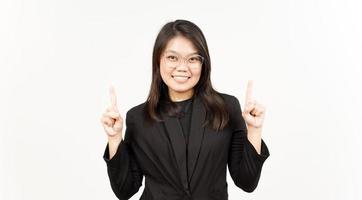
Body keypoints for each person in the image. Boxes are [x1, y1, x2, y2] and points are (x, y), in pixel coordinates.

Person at [100, 19, 270, 200]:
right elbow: (124, 190)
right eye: (172, 57)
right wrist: (114, 138)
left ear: (203, 64)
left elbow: (247, 182)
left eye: (193, 59)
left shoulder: (226, 108)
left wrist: (254, 130)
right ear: (158, 61)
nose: (182, 67)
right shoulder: (138, 118)